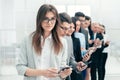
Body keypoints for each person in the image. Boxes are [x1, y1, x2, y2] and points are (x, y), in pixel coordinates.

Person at [16, 4, 72, 80]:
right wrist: (42, 72)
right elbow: (20, 68)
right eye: (46, 19)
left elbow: (61, 70)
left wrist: (64, 74)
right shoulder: (27, 40)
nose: (49, 23)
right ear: (39, 19)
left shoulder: (62, 42)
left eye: (52, 19)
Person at [58, 12, 88, 80]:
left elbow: (71, 59)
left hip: (66, 76)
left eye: (68, 28)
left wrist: (77, 65)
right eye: (63, 28)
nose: (66, 31)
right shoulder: (47, 41)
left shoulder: (68, 39)